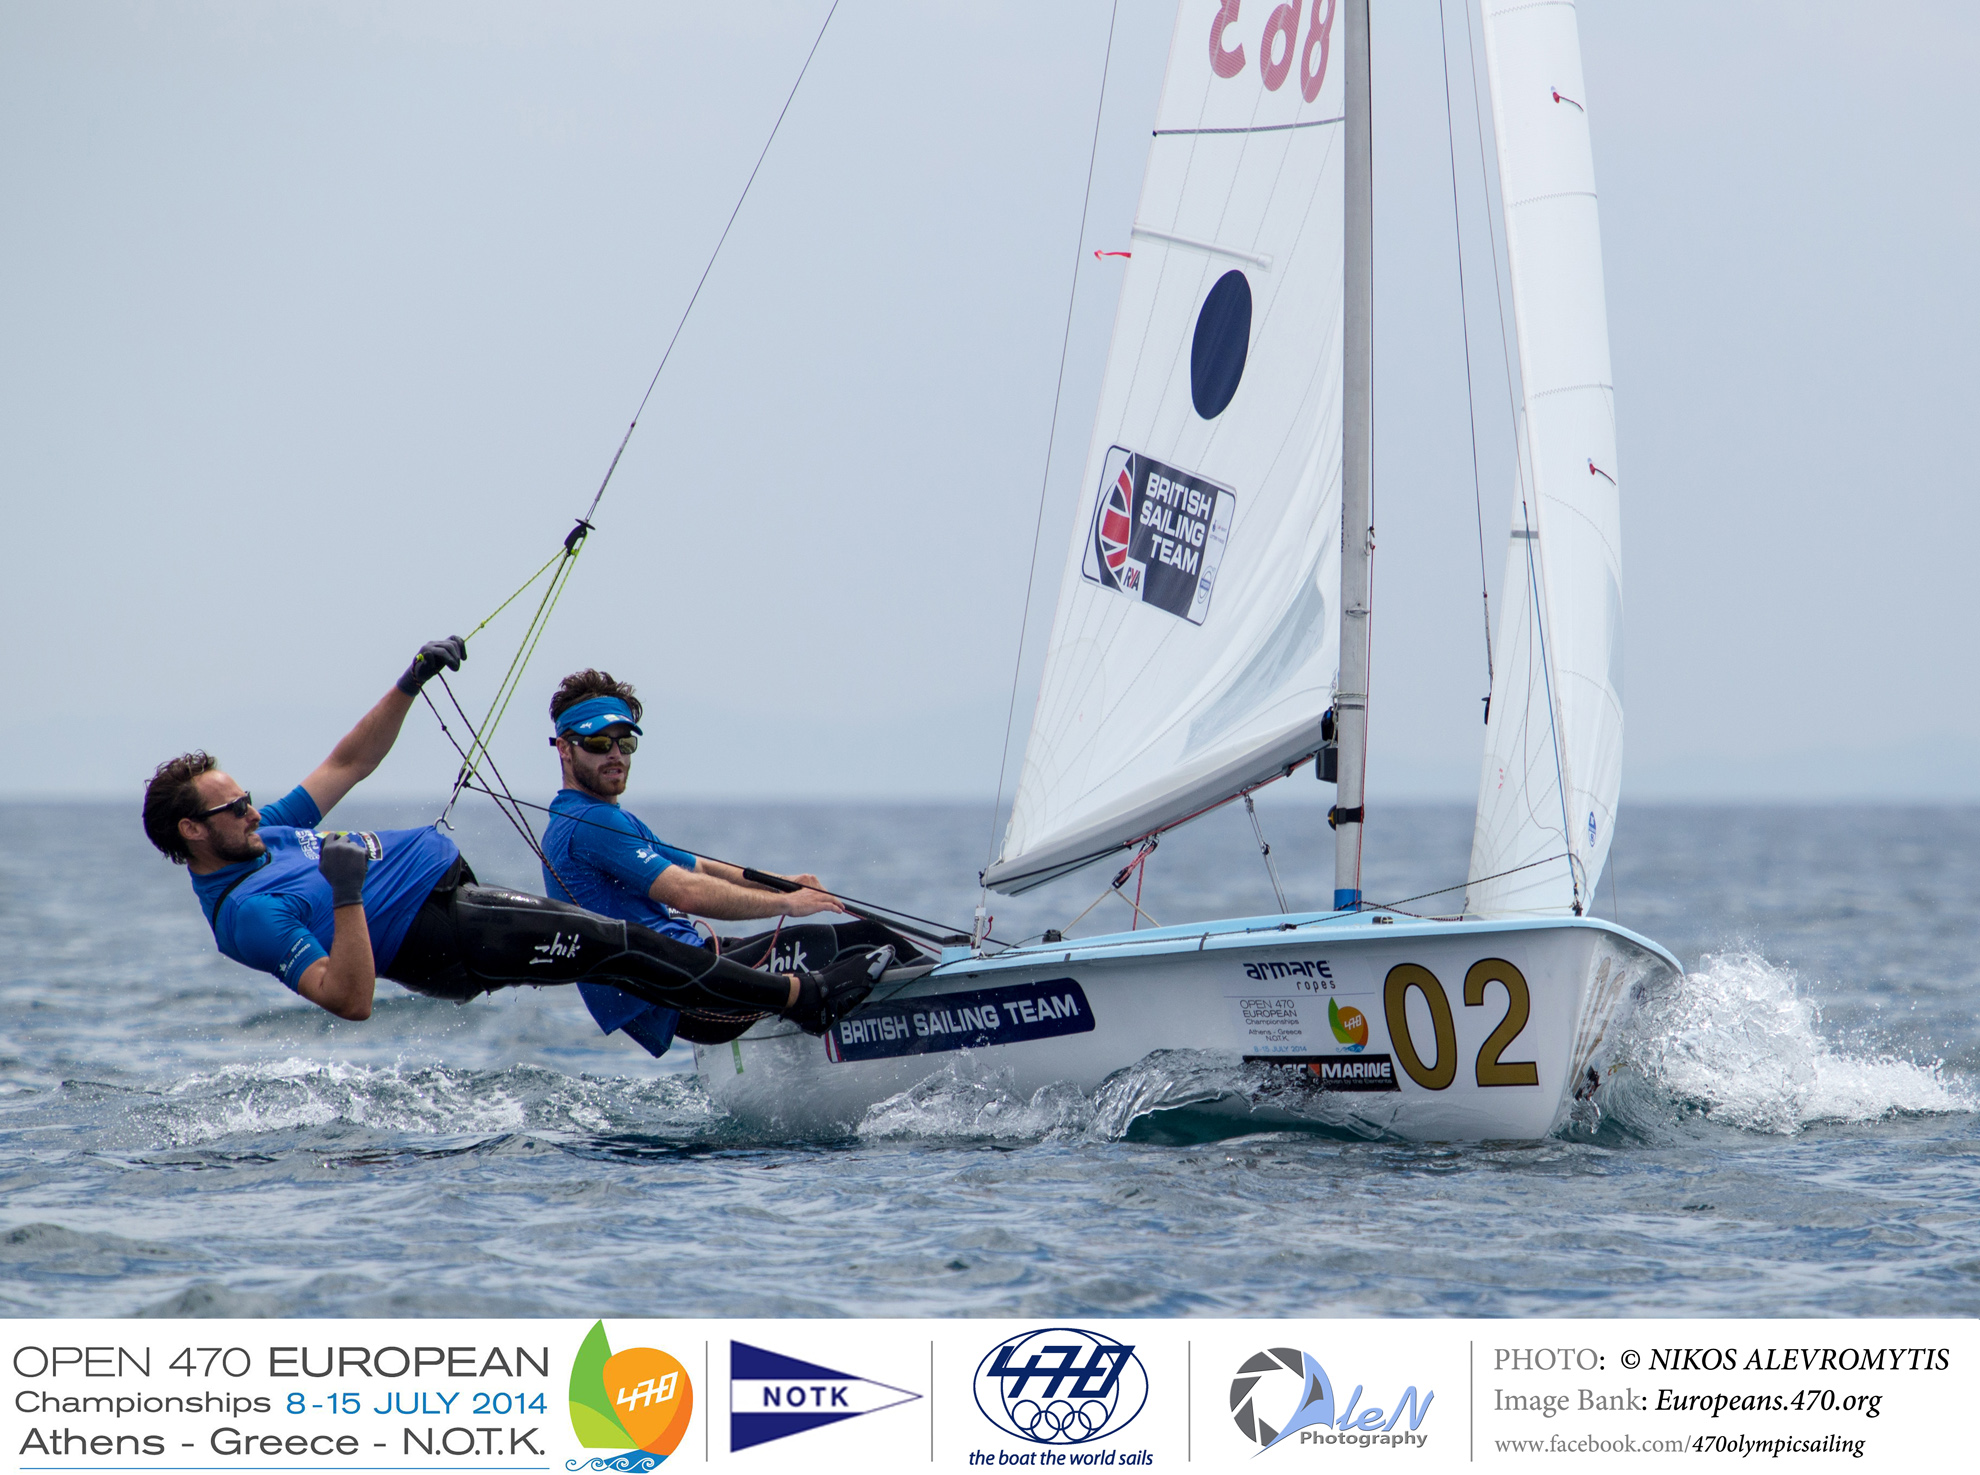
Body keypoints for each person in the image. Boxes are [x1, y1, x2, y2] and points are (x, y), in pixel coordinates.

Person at [141, 637, 889, 1034]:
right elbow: (350, 999)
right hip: (443, 939)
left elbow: (349, 762)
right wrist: (346, 893)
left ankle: (798, 991)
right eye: (234, 808)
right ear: (192, 831)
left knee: (620, 948)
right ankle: (803, 998)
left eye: (247, 798)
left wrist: (410, 682)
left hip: (454, 899)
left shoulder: (268, 833)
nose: (252, 811)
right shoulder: (247, 913)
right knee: (620, 944)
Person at [539, 669, 924, 1054]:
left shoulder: (582, 818)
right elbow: (686, 892)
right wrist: (787, 904)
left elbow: (701, 868)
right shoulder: (591, 823)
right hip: (690, 992)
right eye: (598, 742)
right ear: (565, 749)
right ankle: (948, 1015)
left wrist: (786, 883)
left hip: (689, 977)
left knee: (850, 952)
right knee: (867, 940)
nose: (615, 754)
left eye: (624, 743)